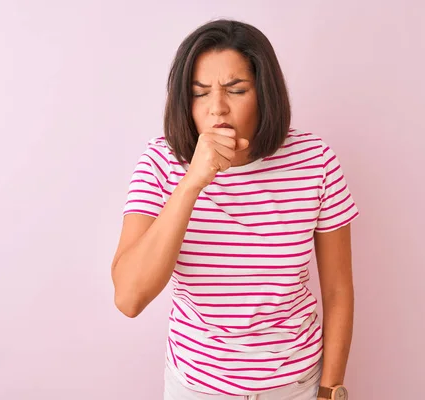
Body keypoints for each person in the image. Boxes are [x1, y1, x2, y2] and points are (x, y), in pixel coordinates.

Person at [111, 19, 359, 400]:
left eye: (236, 89)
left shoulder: (315, 161)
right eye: (199, 93)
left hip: (295, 386)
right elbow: (129, 298)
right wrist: (192, 181)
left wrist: (330, 390)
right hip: (196, 387)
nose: (217, 109)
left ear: (264, 93)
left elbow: (338, 289)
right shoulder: (160, 163)